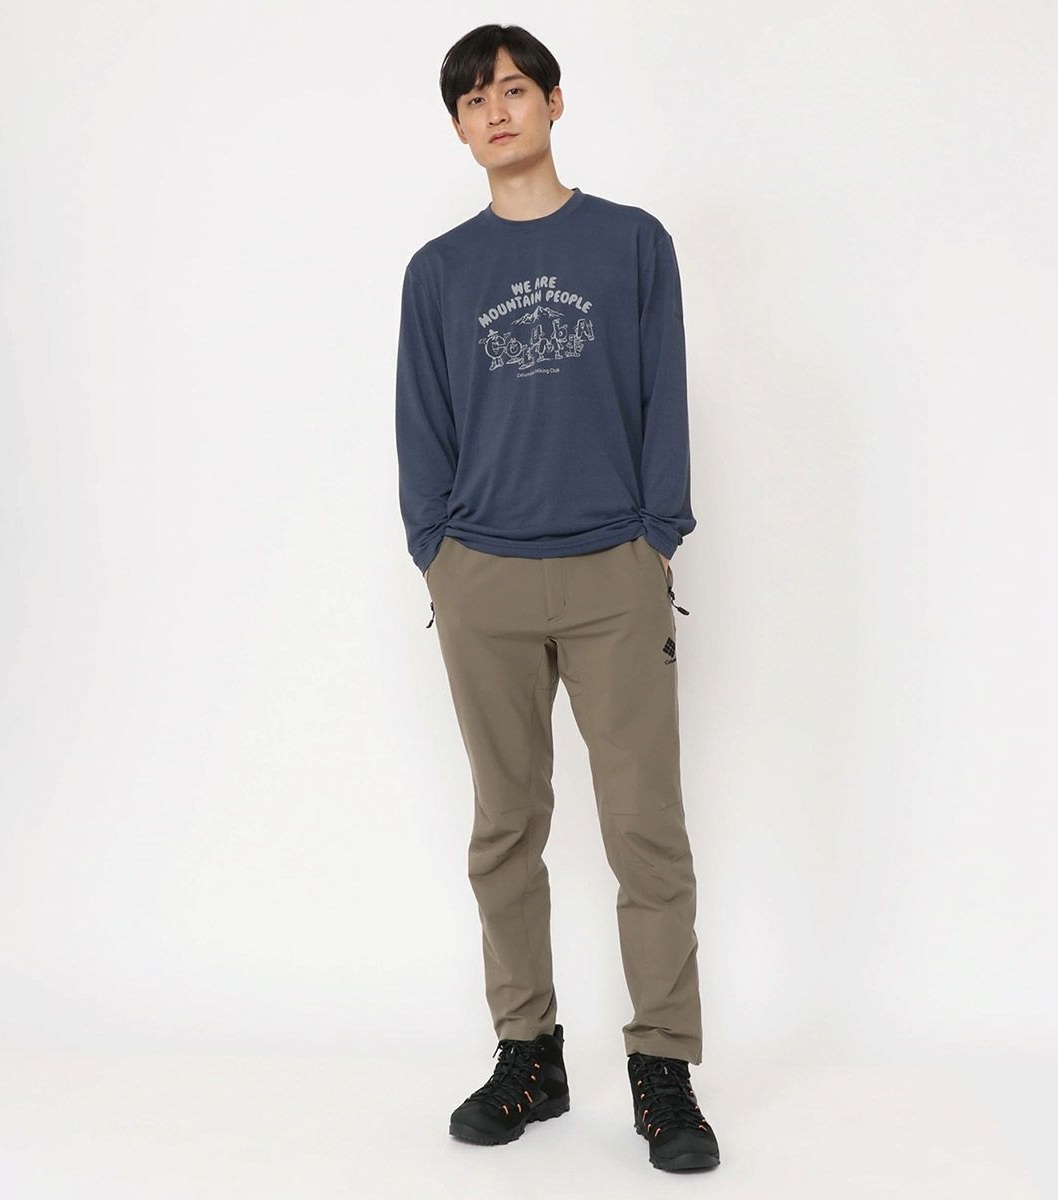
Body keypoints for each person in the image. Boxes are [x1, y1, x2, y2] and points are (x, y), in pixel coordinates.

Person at [395, 23, 720, 1173]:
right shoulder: (438, 272)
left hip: (612, 573)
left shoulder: (631, 244)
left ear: (554, 102)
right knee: (504, 828)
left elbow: (666, 391)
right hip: (479, 574)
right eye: (473, 99)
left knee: (644, 830)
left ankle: (663, 1067)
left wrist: (657, 537)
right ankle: (528, 1052)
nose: (495, 110)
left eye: (514, 89)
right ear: (458, 126)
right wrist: (436, 551)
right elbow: (420, 420)